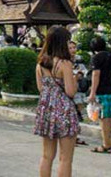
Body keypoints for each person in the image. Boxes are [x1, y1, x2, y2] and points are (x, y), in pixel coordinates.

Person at [34, 26, 80, 177]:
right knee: (65, 159)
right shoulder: (65, 64)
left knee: (46, 155)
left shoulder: (40, 63)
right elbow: (70, 92)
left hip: (46, 110)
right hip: (64, 111)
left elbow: (41, 88)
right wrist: (75, 79)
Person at [88, 36, 111, 154]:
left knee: (104, 119)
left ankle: (106, 144)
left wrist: (92, 92)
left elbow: (96, 75)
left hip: (102, 91)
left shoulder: (96, 58)